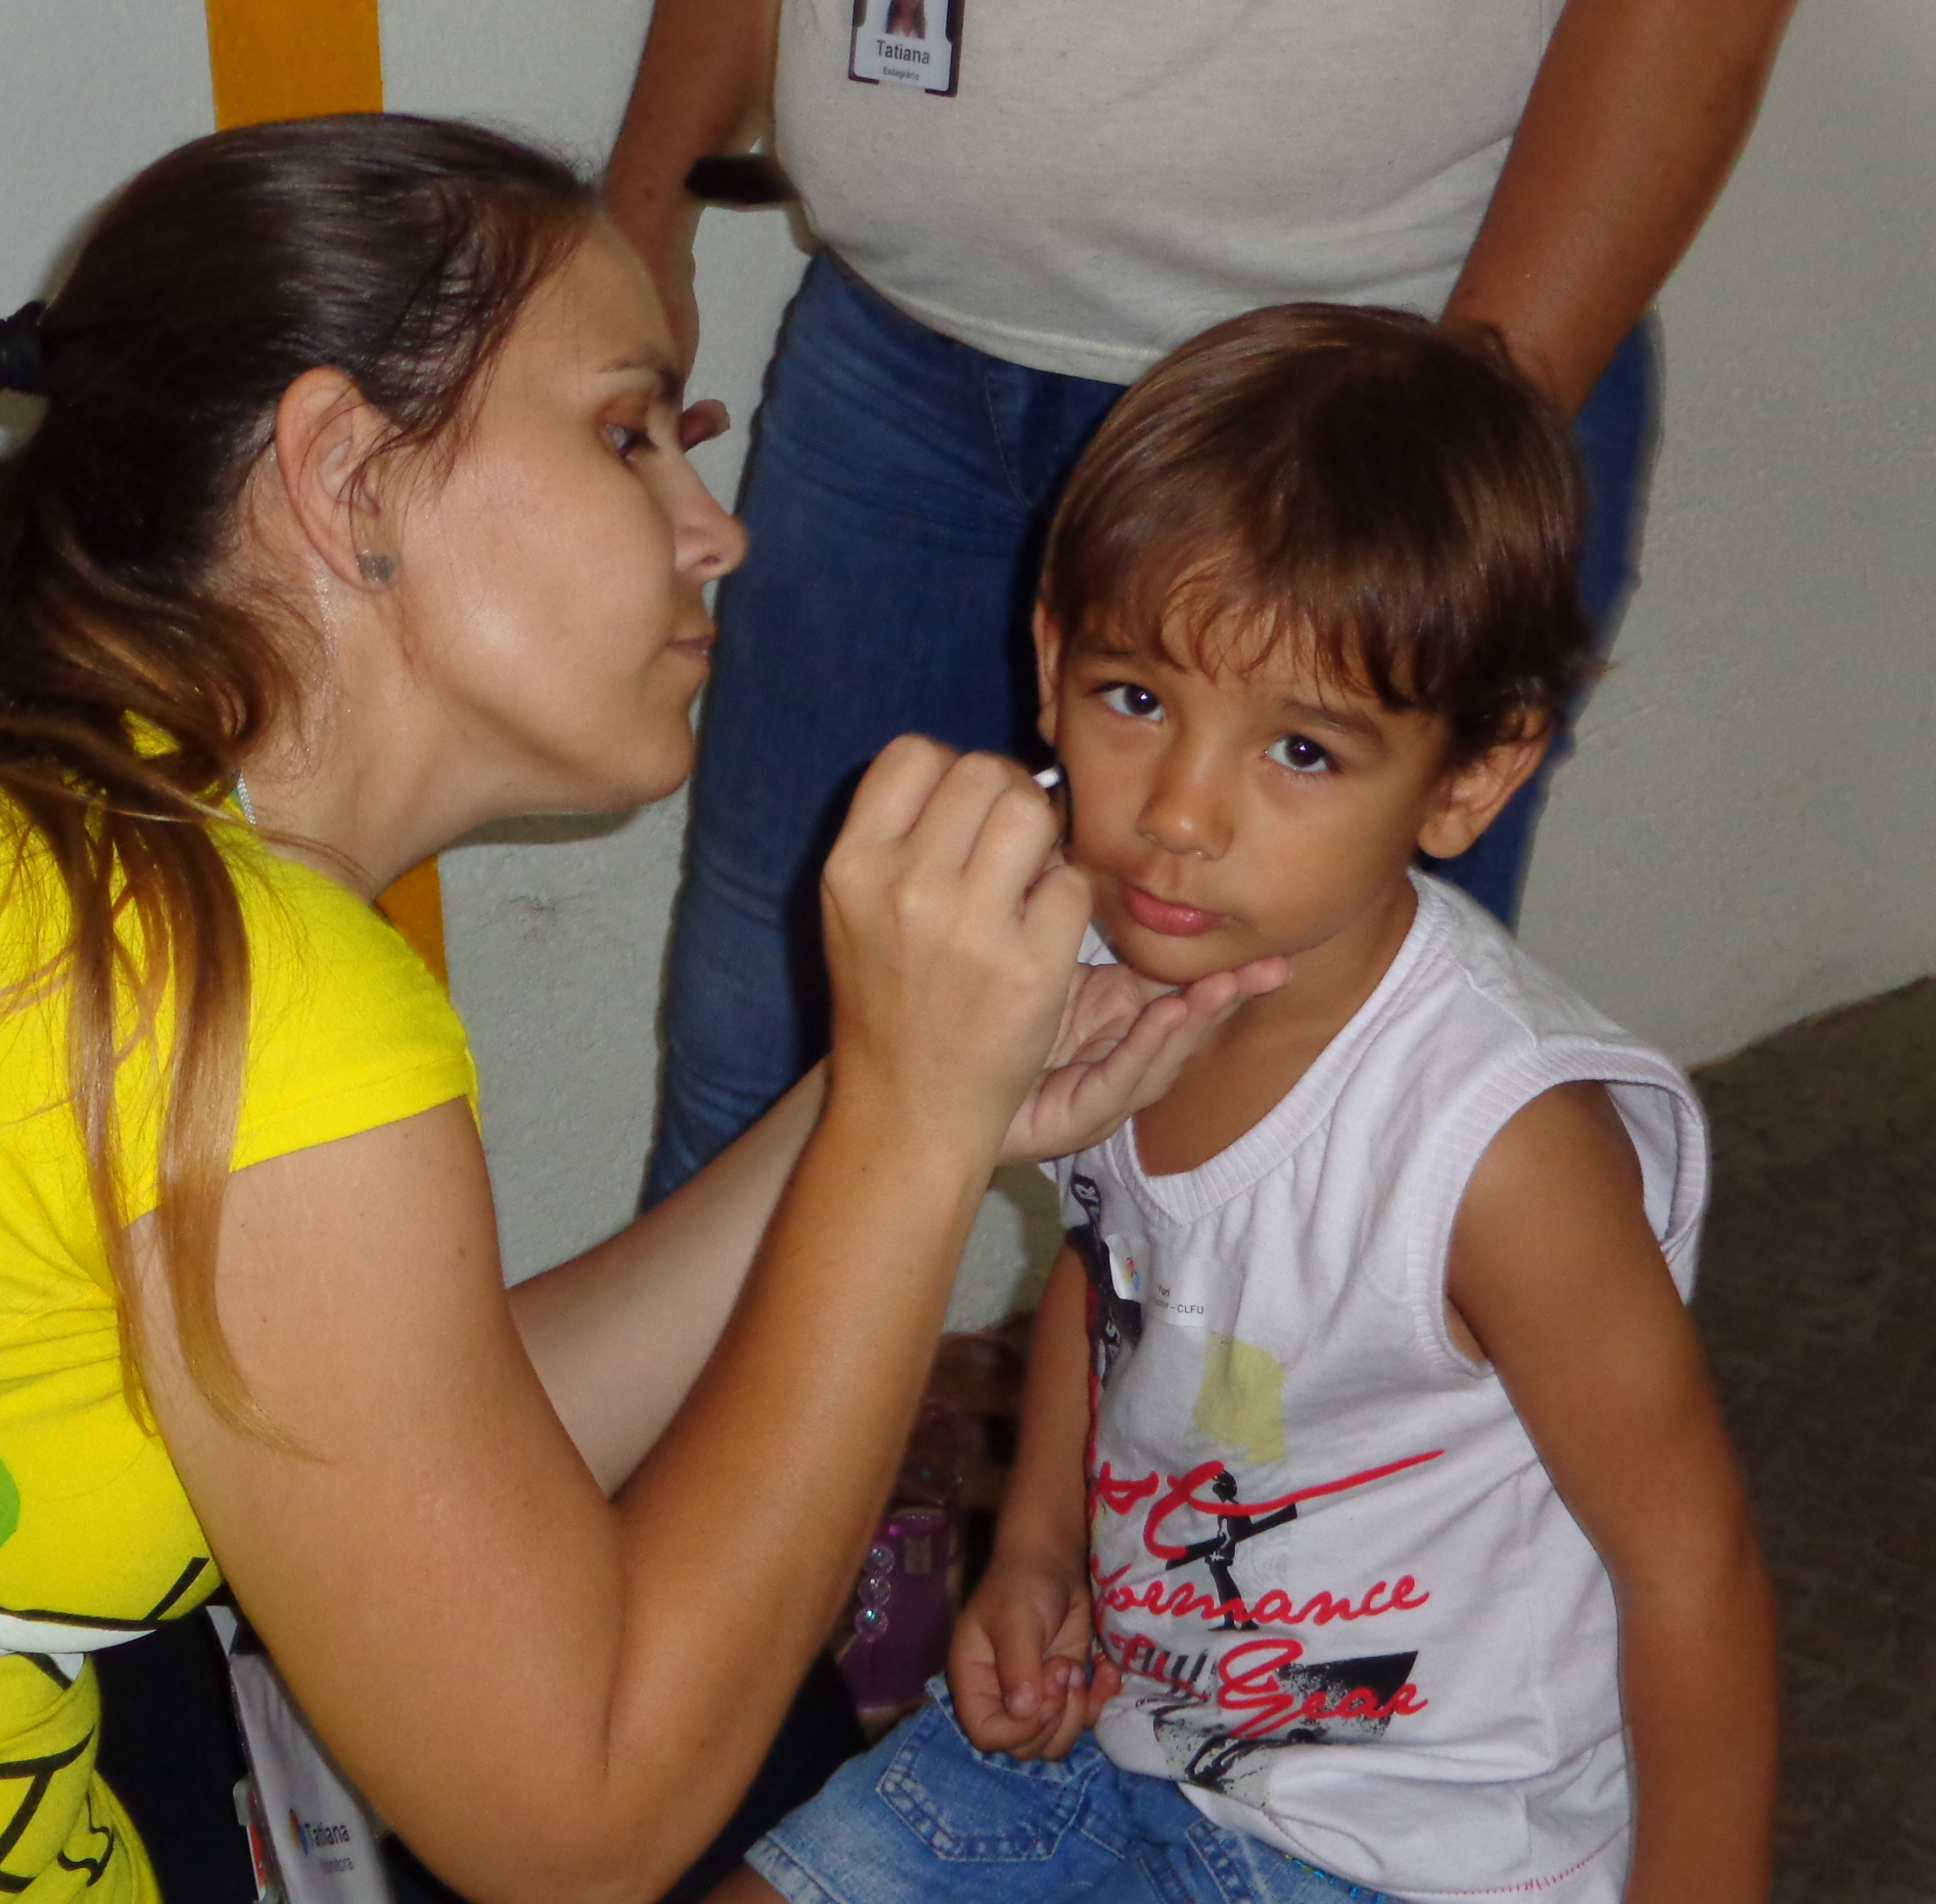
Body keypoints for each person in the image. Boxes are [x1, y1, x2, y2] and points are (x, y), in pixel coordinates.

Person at [0, 117, 1284, 1902]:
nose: (710, 531)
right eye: (629, 436)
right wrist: (908, 1139)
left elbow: (398, 1453)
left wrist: (877, 1085)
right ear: (341, 476)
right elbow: (582, 1817)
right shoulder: (232, 983)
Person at [715, 305, 1774, 1904]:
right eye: (1135, 698)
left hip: (1410, 1848)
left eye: (1298, 746)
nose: (1179, 816)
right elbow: (1115, 1274)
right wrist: (1034, 1545)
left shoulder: (1495, 1149)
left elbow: (1686, 1562)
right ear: (1051, 656)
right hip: (1120, 1735)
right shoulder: (1076, 948)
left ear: (1470, 777)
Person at [608, 0, 1798, 1206]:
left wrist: (1438, 465)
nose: (1175, 818)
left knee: (1312, 1127)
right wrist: (641, 218)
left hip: (1373, 403)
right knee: (776, 1035)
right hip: (899, 360)